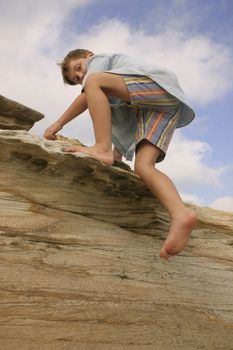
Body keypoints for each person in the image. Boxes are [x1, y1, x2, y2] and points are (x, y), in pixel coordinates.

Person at [43, 49, 197, 259]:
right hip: (160, 109)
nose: (81, 77)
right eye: (77, 79)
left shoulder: (101, 62)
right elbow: (122, 125)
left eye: (79, 68)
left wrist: (59, 123)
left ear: (88, 55)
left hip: (159, 87)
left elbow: (90, 91)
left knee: (94, 83)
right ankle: (180, 214)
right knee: (144, 167)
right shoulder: (116, 95)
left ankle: (101, 147)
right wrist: (117, 154)